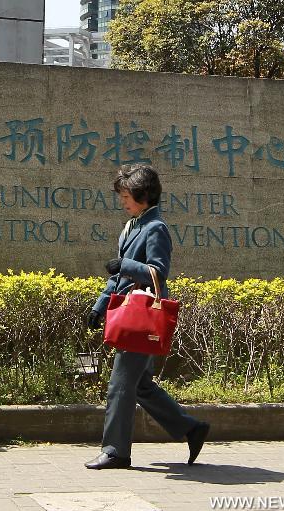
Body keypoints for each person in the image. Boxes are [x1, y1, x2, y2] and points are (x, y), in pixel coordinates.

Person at [84, 164, 210, 470]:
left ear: (142, 194)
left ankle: (116, 451)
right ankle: (190, 428)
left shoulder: (156, 227)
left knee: (120, 384)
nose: (122, 201)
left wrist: (125, 265)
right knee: (140, 386)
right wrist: (100, 307)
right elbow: (119, 277)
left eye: (126, 195)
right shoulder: (132, 225)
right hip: (129, 313)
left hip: (141, 317)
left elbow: (158, 271)